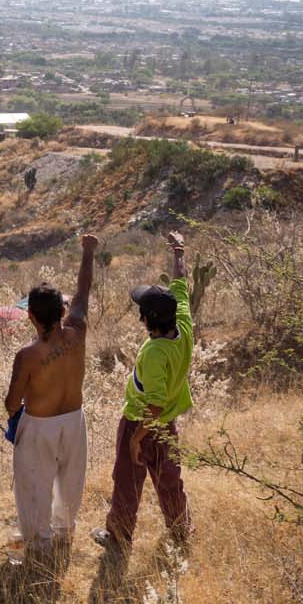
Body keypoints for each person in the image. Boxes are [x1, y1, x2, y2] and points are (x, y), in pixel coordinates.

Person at [92, 231, 195, 552]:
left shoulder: (153, 353)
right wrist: (178, 251)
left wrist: (136, 439)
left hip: (142, 421)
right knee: (169, 480)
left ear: (147, 318)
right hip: (167, 426)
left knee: (127, 482)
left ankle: (119, 537)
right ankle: (180, 531)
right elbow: (180, 283)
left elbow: (153, 404)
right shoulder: (183, 323)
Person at [3, 233, 97, 554]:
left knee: (33, 487)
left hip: (39, 425)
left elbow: (12, 403)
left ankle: (38, 545)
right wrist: (88, 251)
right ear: (62, 310)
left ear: (30, 316)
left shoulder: (27, 355)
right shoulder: (77, 332)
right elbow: (84, 290)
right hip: (74, 420)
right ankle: (64, 532)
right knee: (70, 482)